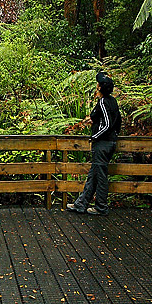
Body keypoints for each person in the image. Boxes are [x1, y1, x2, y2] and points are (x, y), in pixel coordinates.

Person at [67, 70, 121, 215]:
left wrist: (94, 136)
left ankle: (101, 207)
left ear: (100, 87)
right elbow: (118, 122)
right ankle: (81, 204)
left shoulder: (103, 101)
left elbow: (108, 124)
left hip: (102, 144)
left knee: (101, 176)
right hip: (108, 143)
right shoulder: (113, 101)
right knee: (94, 174)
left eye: (98, 84)